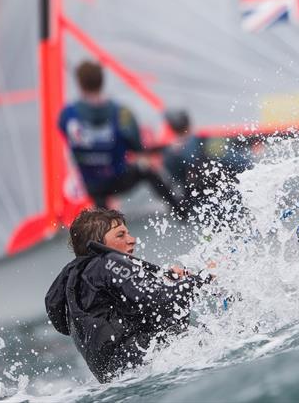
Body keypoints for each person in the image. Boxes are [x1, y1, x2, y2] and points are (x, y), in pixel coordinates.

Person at [45, 208, 212, 383]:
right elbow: (163, 303)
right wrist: (203, 278)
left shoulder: (71, 277)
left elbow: (63, 325)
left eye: (128, 233)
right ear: (98, 242)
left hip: (112, 376)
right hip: (143, 363)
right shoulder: (108, 263)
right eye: (120, 235)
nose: (132, 240)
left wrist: (169, 282)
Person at [59, 60, 179, 211]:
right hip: (118, 178)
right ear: (102, 82)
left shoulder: (67, 115)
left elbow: (67, 137)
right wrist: (166, 147)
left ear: (80, 84)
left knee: (98, 193)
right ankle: (180, 210)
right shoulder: (120, 112)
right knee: (147, 170)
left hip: (92, 185)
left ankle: (102, 220)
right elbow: (138, 148)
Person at [162, 109, 253, 217]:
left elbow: (175, 178)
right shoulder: (207, 141)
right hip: (229, 196)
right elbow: (241, 163)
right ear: (189, 123)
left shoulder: (170, 153)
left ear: (170, 128)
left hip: (199, 205)